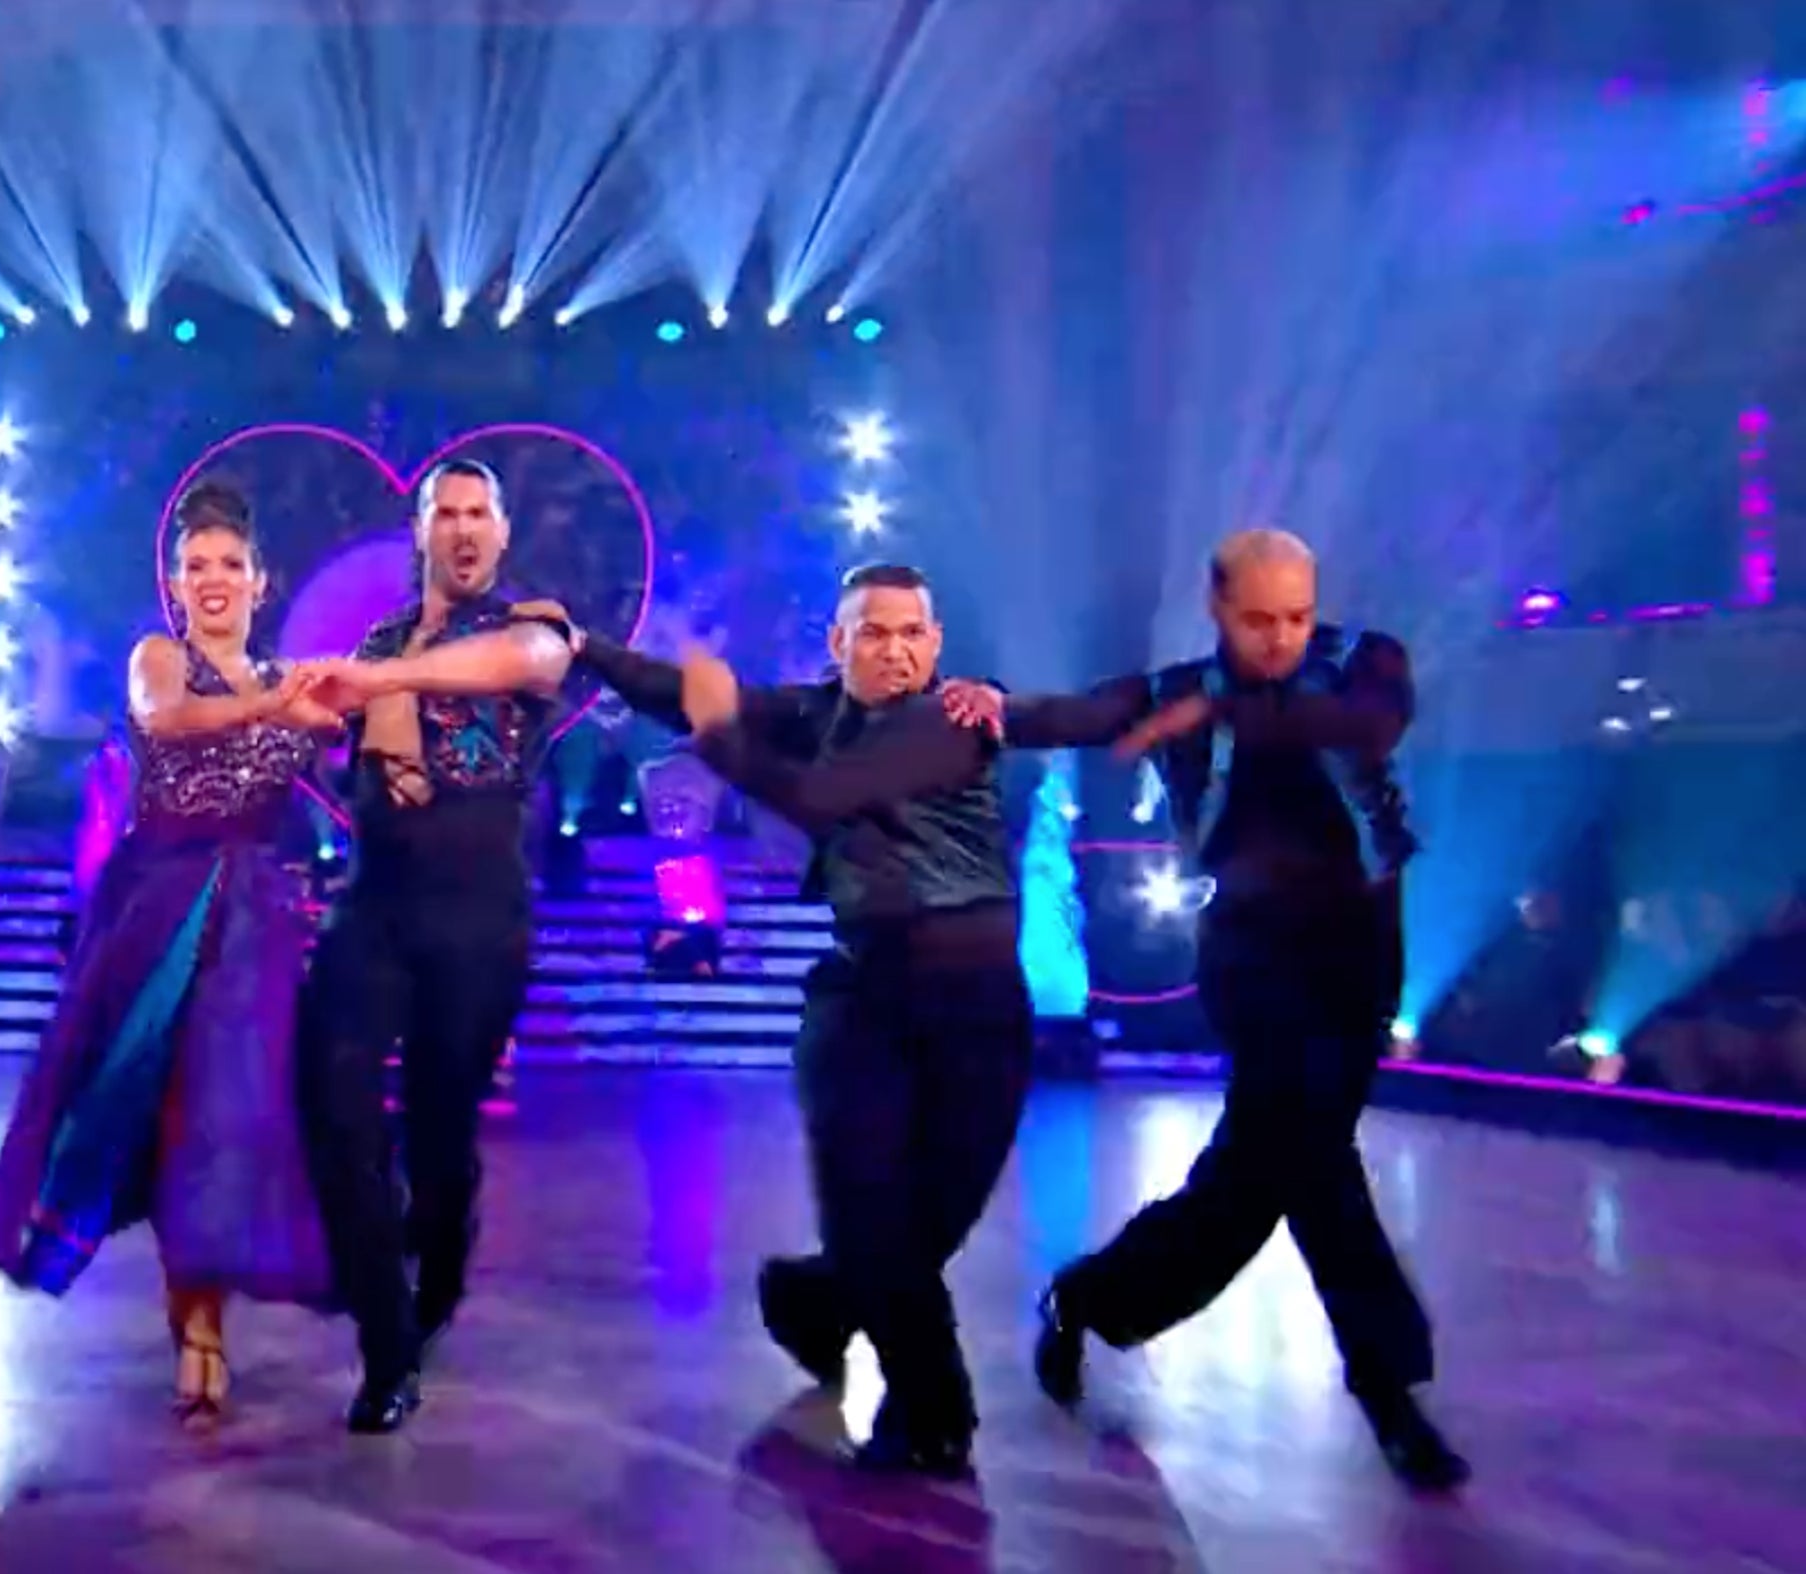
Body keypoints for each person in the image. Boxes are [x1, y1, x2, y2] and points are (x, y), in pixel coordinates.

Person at [942, 527, 1468, 1491]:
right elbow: (1090, 710)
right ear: (1219, 610)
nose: (1281, 637)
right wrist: (1004, 712)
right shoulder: (1175, 687)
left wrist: (1220, 715)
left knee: (1266, 1165)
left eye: (1297, 617)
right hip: (1252, 952)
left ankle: (1092, 1297)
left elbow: (1366, 728)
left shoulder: (1366, 663)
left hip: (1360, 947)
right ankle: (1391, 1395)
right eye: (1259, 618)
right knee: (1311, 1157)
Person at [573, 563, 1030, 1476]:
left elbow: (815, 793)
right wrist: (591, 649)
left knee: (928, 1220)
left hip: (979, 1010)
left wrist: (717, 734)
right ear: (839, 643)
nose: (894, 650)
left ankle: (811, 1300)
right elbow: (696, 694)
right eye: (873, 632)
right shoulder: (815, 714)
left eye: (911, 633)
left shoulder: (959, 721)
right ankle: (934, 1410)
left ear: (936, 645)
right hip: (863, 997)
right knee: (870, 1207)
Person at [0, 478, 342, 1424]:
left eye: (230, 567)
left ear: (263, 581)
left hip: (254, 926)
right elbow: (167, 721)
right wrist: (278, 705)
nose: (212, 581)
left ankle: (205, 1322)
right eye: (195, 567)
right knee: (151, 1105)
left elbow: (361, 748)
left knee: (230, 1116)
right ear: (176, 584)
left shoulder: (293, 686)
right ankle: (191, 1323)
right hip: (159, 910)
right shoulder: (160, 659)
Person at [294, 458, 574, 1433]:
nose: (460, 528)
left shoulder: (530, 625)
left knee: (440, 1133)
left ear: (499, 533)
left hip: (478, 910)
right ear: (419, 531)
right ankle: (386, 1345)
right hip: (372, 904)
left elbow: (525, 668)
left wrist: (380, 680)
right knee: (332, 1106)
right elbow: (328, 743)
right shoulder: (373, 639)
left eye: (477, 513)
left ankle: (438, 1270)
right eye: (443, 512)